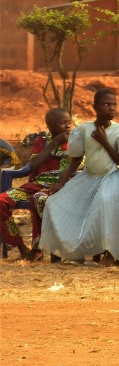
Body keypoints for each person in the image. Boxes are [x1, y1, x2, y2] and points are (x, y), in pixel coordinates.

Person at [40, 89, 119, 265]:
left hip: (114, 178)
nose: (112, 108)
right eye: (106, 104)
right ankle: (76, 251)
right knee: (55, 202)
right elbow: (75, 159)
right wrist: (61, 183)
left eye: (114, 104)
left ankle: (110, 252)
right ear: (95, 107)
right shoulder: (84, 129)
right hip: (89, 177)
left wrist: (104, 142)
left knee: (104, 201)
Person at [0, 109, 72, 260]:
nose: (67, 126)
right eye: (62, 122)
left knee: (39, 199)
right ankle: (21, 247)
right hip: (35, 185)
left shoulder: (75, 141)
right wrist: (54, 143)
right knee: (2, 201)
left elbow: (78, 165)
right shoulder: (42, 141)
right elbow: (33, 164)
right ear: (51, 126)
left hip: (61, 187)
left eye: (68, 122)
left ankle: (39, 249)